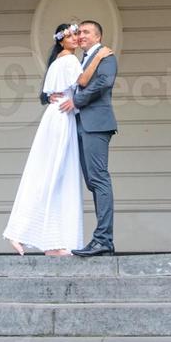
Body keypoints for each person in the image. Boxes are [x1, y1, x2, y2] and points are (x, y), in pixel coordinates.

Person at [2, 22, 86, 256]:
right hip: (62, 117)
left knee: (55, 174)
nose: (75, 39)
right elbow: (83, 84)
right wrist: (99, 59)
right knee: (55, 173)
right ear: (61, 40)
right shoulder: (69, 61)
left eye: (76, 35)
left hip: (58, 115)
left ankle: (52, 241)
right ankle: (22, 231)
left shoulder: (59, 61)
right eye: (70, 36)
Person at [57, 20, 118, 257]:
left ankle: (103, 240)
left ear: (98, 36)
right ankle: (101, 240)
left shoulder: (106, 56)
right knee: (92, 181)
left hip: (97, 125)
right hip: (81, 125)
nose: (81, 35)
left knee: (99, 179)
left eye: (86, 32)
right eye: (79, 32)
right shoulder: (80, 61)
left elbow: (104, 83)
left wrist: (77, 101)